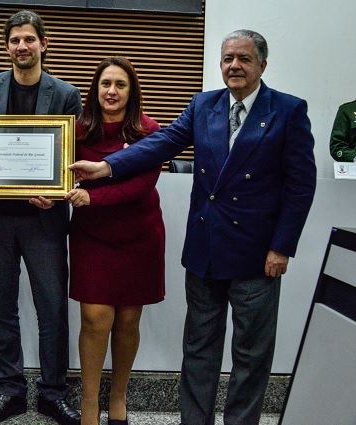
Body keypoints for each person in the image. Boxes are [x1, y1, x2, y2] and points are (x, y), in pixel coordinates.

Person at [69, 30, 317, 425]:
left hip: (257, 255)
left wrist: (282, 246)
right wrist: (108, 166)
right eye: (227, 58)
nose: (234, 65)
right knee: (199, 349)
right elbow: (162, 142)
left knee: (250, 354)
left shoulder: (287, 110)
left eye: (244, 59)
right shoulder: (204, 105)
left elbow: (301, 184)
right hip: (205, 250)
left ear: (262, 66)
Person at [0, 10, 82, 425]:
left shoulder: (66, 94)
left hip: (45, 220)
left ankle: (54, 393)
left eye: (29, 40)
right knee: (0, 307)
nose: (22, 46)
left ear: (44, 43)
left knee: (51, 308)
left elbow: (71, 158)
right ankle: (10, 391)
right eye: (15, 40)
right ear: (7, 47)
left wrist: (56, 195)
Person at [64, 57, 164, 425]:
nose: (111, 91)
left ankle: (118, 397)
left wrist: (93, 197)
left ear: (131, 91)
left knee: (127, 320)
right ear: (95, 89)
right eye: (106, 83)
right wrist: (45, 191)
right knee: (94, 318)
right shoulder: (75, 130)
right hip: (93, 235)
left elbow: (142, 184)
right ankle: (90, 403)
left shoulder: (149, 132)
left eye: (120, 85)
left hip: (139, 234)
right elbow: (57, 174)